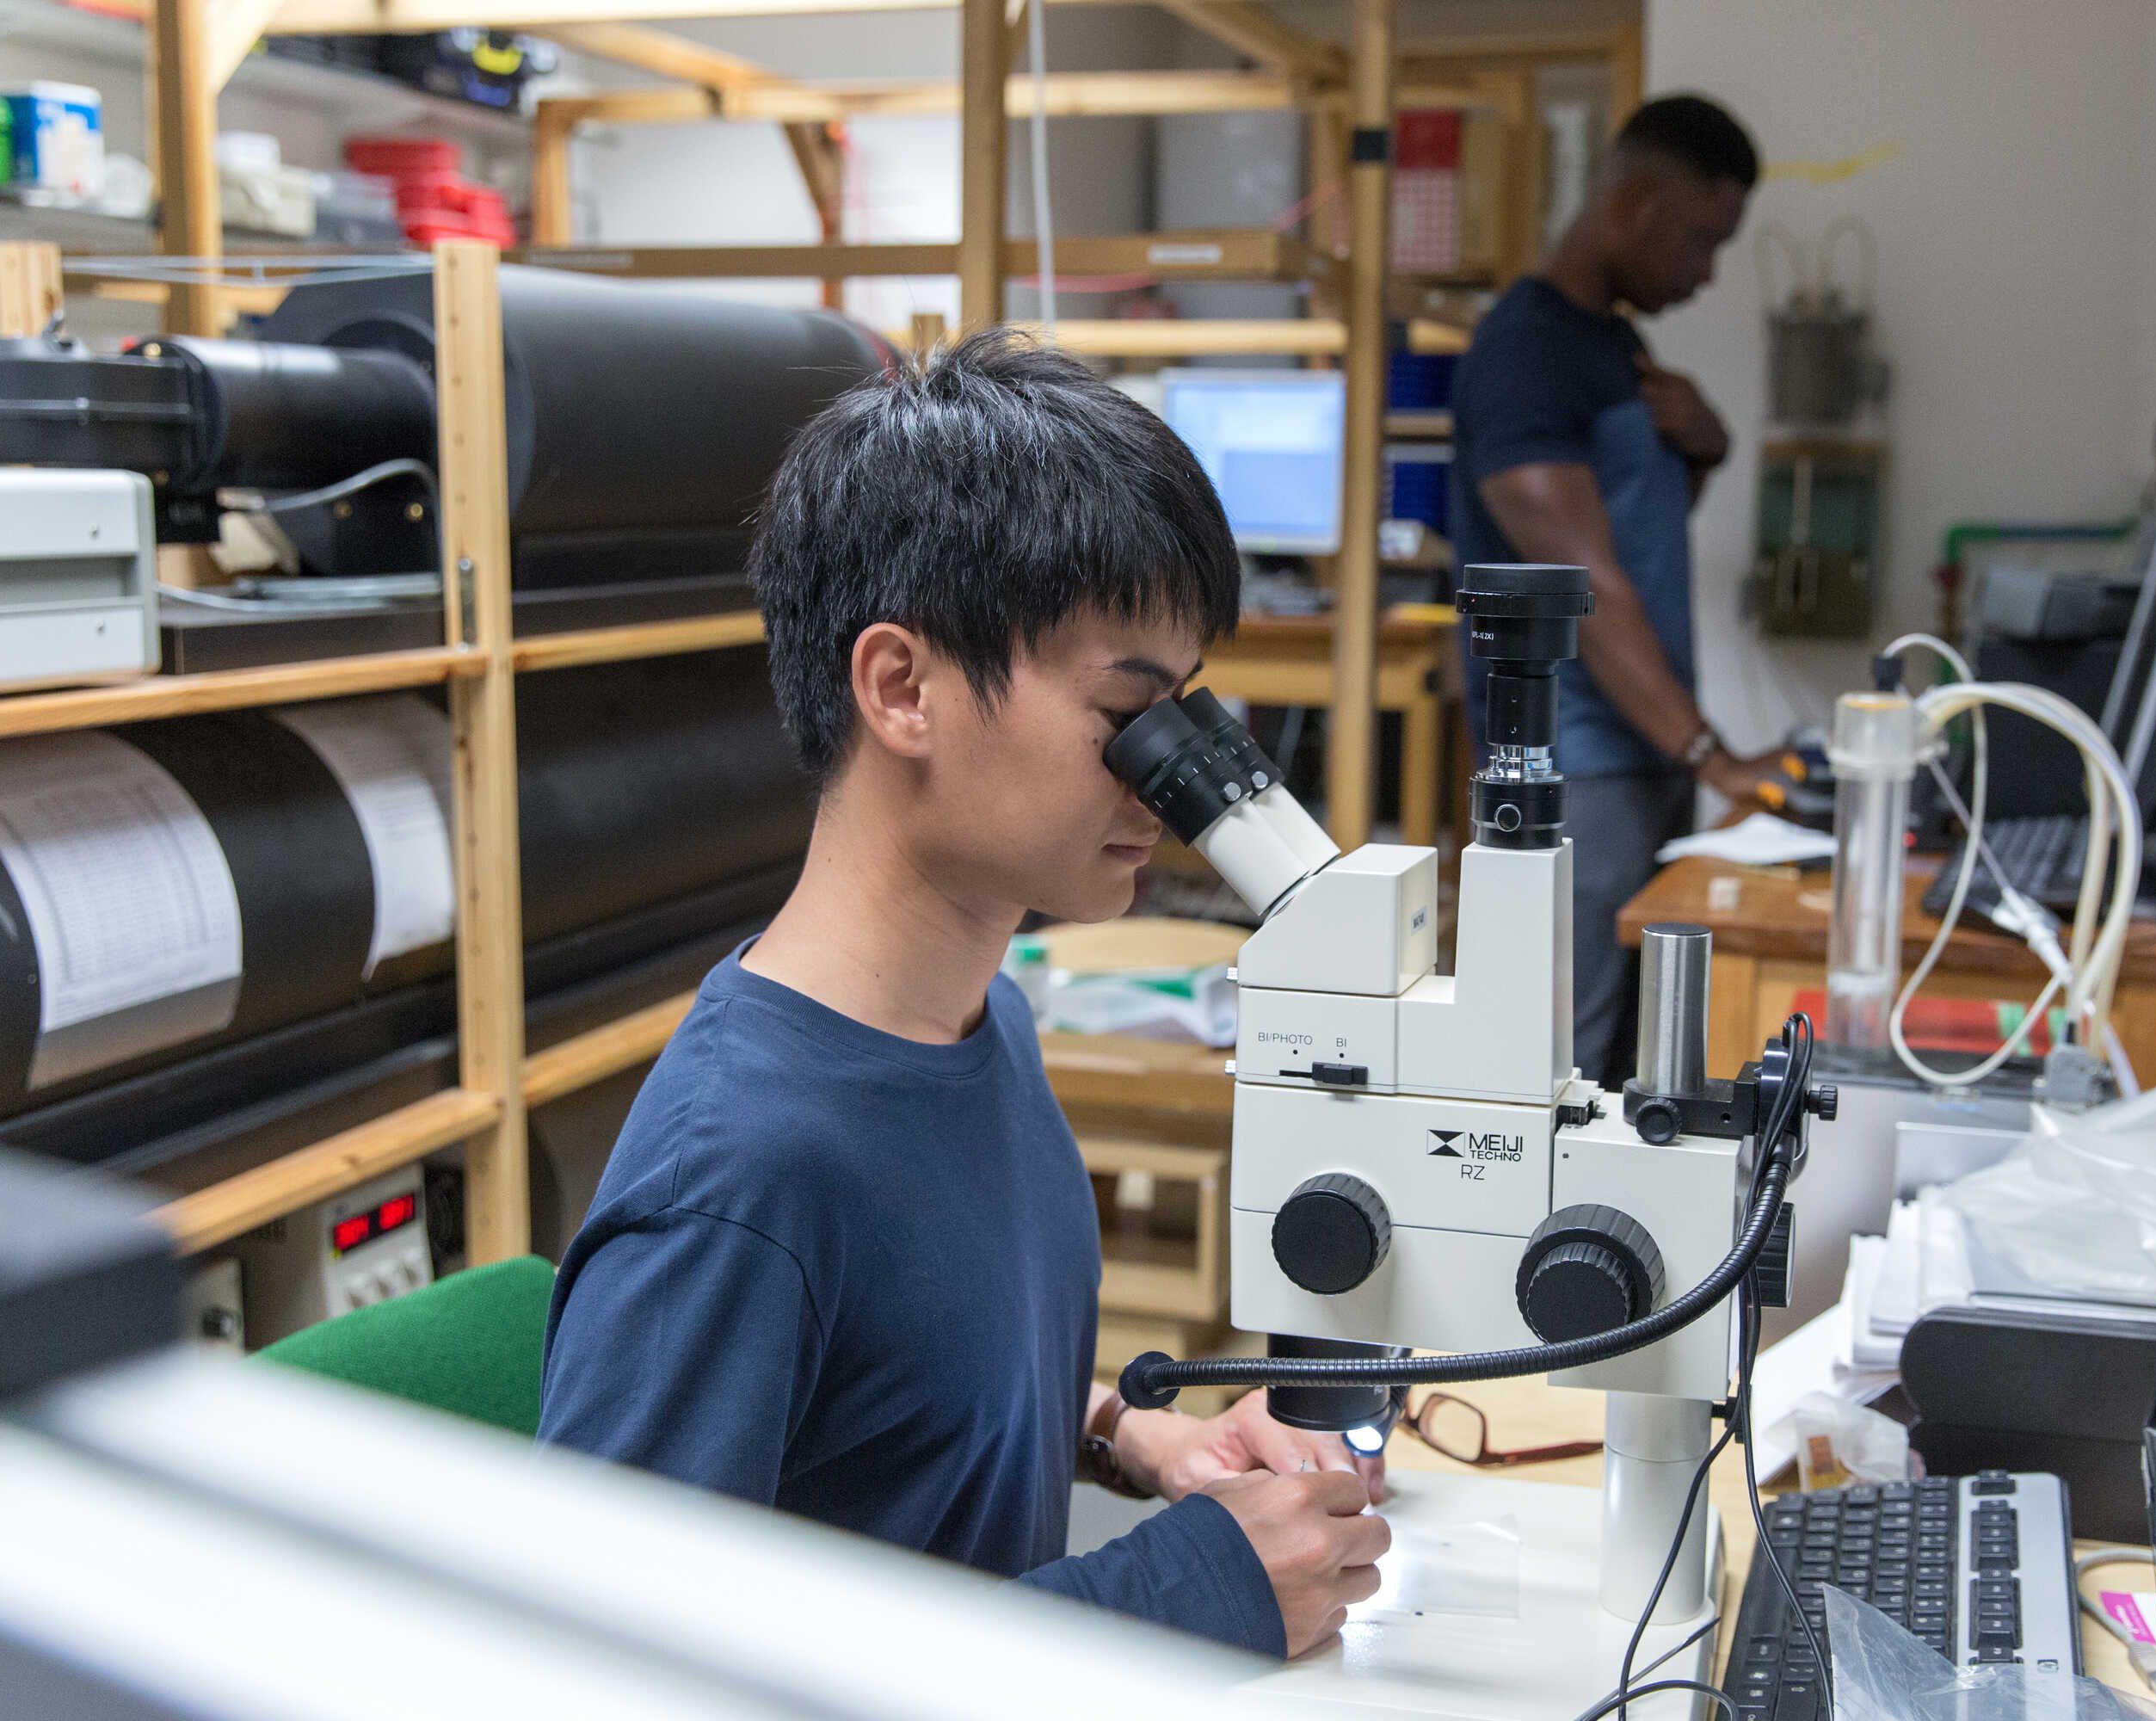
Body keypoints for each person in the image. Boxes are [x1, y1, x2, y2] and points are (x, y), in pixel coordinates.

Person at [538, 332, 1389, 1662]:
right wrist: (1178, 1594)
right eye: (1129, 711)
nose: (1168, 783)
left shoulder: (977, 1017)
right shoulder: (740, 1182)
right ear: (903, 689)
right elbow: (607, 1681)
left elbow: (890, 1408)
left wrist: (1130, 1436)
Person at [1450, 93, 1783, 1084]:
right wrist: (1710, 753)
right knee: (1563, 1070)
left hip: (1634, 761)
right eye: (1700, 240)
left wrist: (1709, 445)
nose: (1706, 271)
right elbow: (1583, 585)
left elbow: (1635, 534)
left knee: (1634, 1064)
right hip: (1574, 775)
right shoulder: (1525, 353)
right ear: (1635, 202)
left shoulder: (1611, 345)